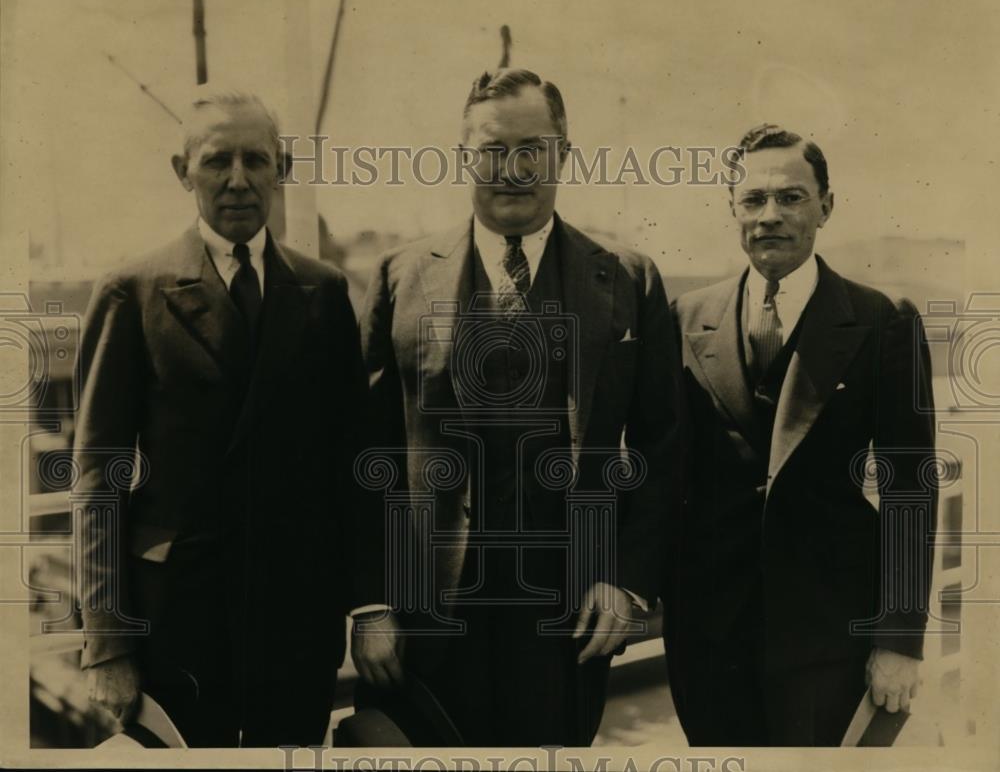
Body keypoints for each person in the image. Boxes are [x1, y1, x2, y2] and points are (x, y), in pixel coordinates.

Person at [352, 68, 683, 746]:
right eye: (492, 149)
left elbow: (664, 446)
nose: (513, 169)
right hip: (426, 615)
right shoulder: (399, 277)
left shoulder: (628, 278)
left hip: (565, 616)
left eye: (532, 147)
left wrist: (626, 584)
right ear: (462, 155)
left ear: (564, 152)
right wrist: (369, 602)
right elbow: (363, 447)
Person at [74, 91, 377, 747]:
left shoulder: (321, 292)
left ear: (282, 168)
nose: (237, 179)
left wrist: (370, 604)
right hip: (179, 619)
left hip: (296, 619)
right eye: (216, 161)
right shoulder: (134, 290)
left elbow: (354, 462)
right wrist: (107, 644)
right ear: (182, 171)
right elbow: (97, 477)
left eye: (255, 159)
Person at [664, 124, 938, 746]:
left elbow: (909, 492)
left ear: (826, 206)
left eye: (790, 198)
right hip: (709, 638)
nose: (770, 217)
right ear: (732, 210)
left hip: (827, 636)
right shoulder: (684, 318)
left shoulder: (881, 320)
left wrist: (899, 639)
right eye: (752, 201)